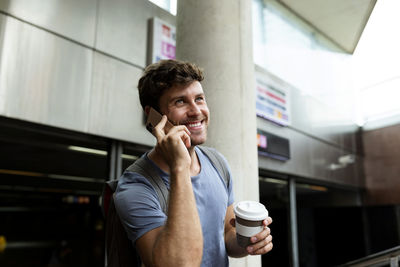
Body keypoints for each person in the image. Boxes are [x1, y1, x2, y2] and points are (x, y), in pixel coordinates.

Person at [114, 59, 273, 267]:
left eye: (199, 99)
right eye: (180, 101)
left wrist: (247, 241)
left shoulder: (217, 163)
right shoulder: (135, 187)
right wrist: (180, 166)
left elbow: (225, 235)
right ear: (152, 116)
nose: (196, 111)